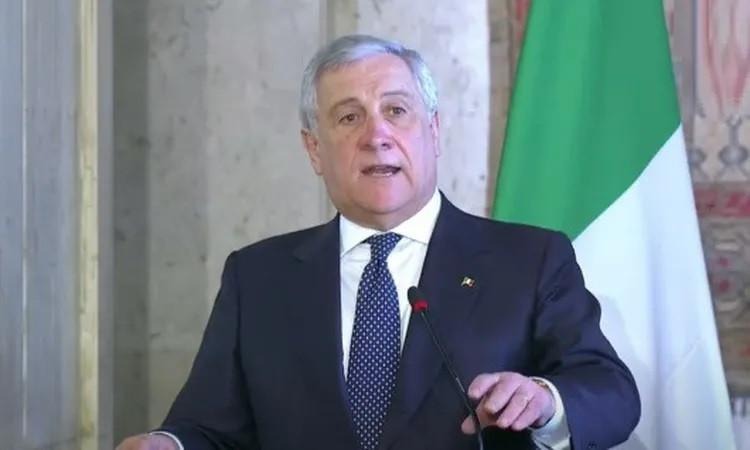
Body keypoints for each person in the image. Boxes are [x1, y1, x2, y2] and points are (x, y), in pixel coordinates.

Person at [117, 34, 639, 450]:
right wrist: (169, 444)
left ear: (434, 130)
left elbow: (610, 391)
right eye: (349, 117)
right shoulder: (258, 277)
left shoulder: (529, 260)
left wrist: (544, 400)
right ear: (314, 150)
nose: (376, 136)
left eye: (396, 110)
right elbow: (208, 428)